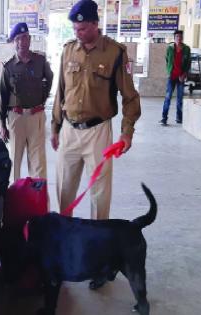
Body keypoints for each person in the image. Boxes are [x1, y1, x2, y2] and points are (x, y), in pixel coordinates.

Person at [52, 0, 140, 227]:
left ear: (94, 24)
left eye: (82, 29)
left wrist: (127, 133)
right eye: (74, 29)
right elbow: (60, 91)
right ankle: (64, 237)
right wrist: (55, 127)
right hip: (69, 131)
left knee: (100, 193)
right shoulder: (69, 50)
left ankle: (99, 238)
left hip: (98, 133)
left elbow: (130, 97)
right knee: (64, 188)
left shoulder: (114, 53)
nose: (78, 33)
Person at [0, 23, 53, 182]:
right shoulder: (8, 67)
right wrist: (1, 123)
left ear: (29, 39)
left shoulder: (40, 61)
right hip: (16, 118)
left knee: (38, 163)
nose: (21, 42)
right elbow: (3, 95)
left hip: (36, 117)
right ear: (13, 42)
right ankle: (15, 198)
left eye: (24, 38)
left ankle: (38, 199)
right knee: (14, 160)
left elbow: (49, 78)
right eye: (17, 39)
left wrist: (42, 97)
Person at [159, 30, 191, 126]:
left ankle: (179, 118)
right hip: (172, 76)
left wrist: (184, 74)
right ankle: (164, 118)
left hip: (181, 77)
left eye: (180, 36)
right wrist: (169, 71)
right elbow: (167, 59)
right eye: (177, 36)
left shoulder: (186, 49)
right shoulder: (170, 48)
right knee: (168, 97)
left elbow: (188, 63)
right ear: (174, 38)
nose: (179, 38)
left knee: (180, 98)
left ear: (182, 37)